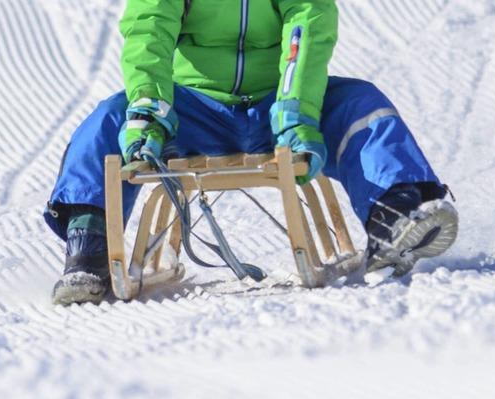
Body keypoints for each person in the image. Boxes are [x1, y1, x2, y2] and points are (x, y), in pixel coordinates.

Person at [44, 0, 459, 305]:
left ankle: (397, 210)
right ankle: (88, 243)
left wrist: (297, 114)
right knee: (108, 119)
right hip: (194, 108)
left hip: (275, 104)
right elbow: (149, 31)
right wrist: (150, 111)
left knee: (360, 104)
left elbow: (308, 28)